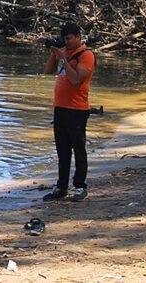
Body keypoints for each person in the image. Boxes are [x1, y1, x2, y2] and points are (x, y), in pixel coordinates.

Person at [43, 22, 96, 202]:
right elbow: (49, 71)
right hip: (60, 108)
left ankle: (80, 186)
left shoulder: (86, 55)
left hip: (77, 109)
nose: (66, 42)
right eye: (64, 39)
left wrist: (64, 60)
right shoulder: (64, 52)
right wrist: (54, 55)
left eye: (69, 39)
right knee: (62, 150)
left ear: (78, 37)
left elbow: (76, 80)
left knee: (78, 149)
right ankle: (61, 187)